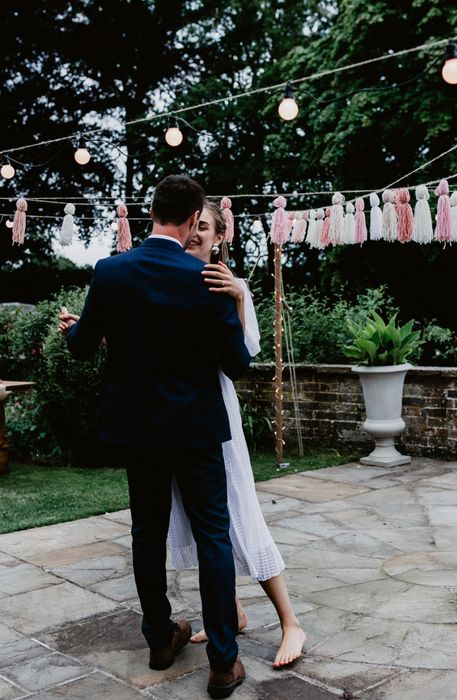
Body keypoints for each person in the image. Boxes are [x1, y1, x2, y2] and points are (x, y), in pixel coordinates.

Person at [59, 175, 248, 699]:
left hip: (138, 431)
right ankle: (222, 663)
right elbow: (237, 364)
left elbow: (81, 347)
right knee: (214, 536)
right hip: (196, 431)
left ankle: (160, 639)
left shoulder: (112, 272)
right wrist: (231, 303)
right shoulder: (206, 277)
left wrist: (72, 331)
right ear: (192, 220)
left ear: (151, 214)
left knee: (148, 532)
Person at [168, 198, 305, 668]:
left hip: (216, 422)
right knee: (200, 522)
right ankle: (233, 611)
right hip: (174, 426)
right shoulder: (167, 282)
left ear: (220, 236)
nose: (194, 233)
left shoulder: (233, 285)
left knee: (241, 517)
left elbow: (244, 357)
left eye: (203, 226)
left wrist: (239, 299)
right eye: (190, 224)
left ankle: (290, 621)